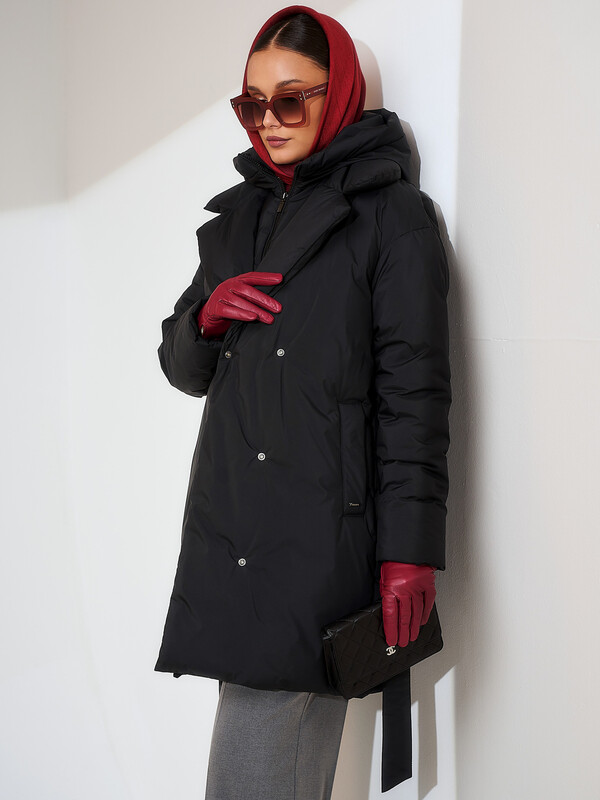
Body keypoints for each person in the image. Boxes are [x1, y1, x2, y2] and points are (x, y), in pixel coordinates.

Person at [154, 5, 451, 799]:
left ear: (339, 91)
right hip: (230, 532)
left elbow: (415, 397)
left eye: (290, 99)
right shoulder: (239, 220)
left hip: (319, 538)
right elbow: (182, 370)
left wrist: (410, 550)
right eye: (252, 104)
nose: (269, 121)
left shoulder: (392, 220)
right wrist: (206, 318)